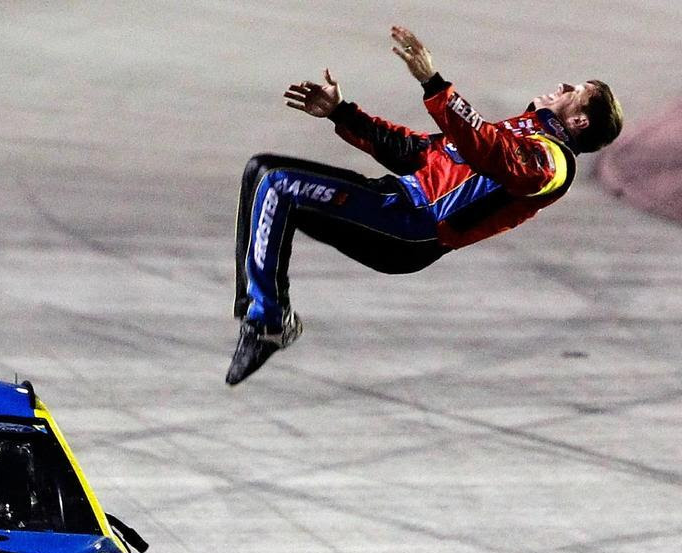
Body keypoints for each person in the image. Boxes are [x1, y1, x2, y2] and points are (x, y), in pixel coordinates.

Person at [226, 25, 623, 384]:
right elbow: (418, 151)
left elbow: (492, 151)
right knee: (261, 171)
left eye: (576, 91)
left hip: (409, 228)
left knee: (279, 185)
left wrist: (434, 83)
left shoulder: (552, 162)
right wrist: (342, 113)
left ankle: (268, 320)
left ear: (580, 123)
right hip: (392, 202)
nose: (564, 84)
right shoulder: (514, 134)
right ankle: (263, 316)